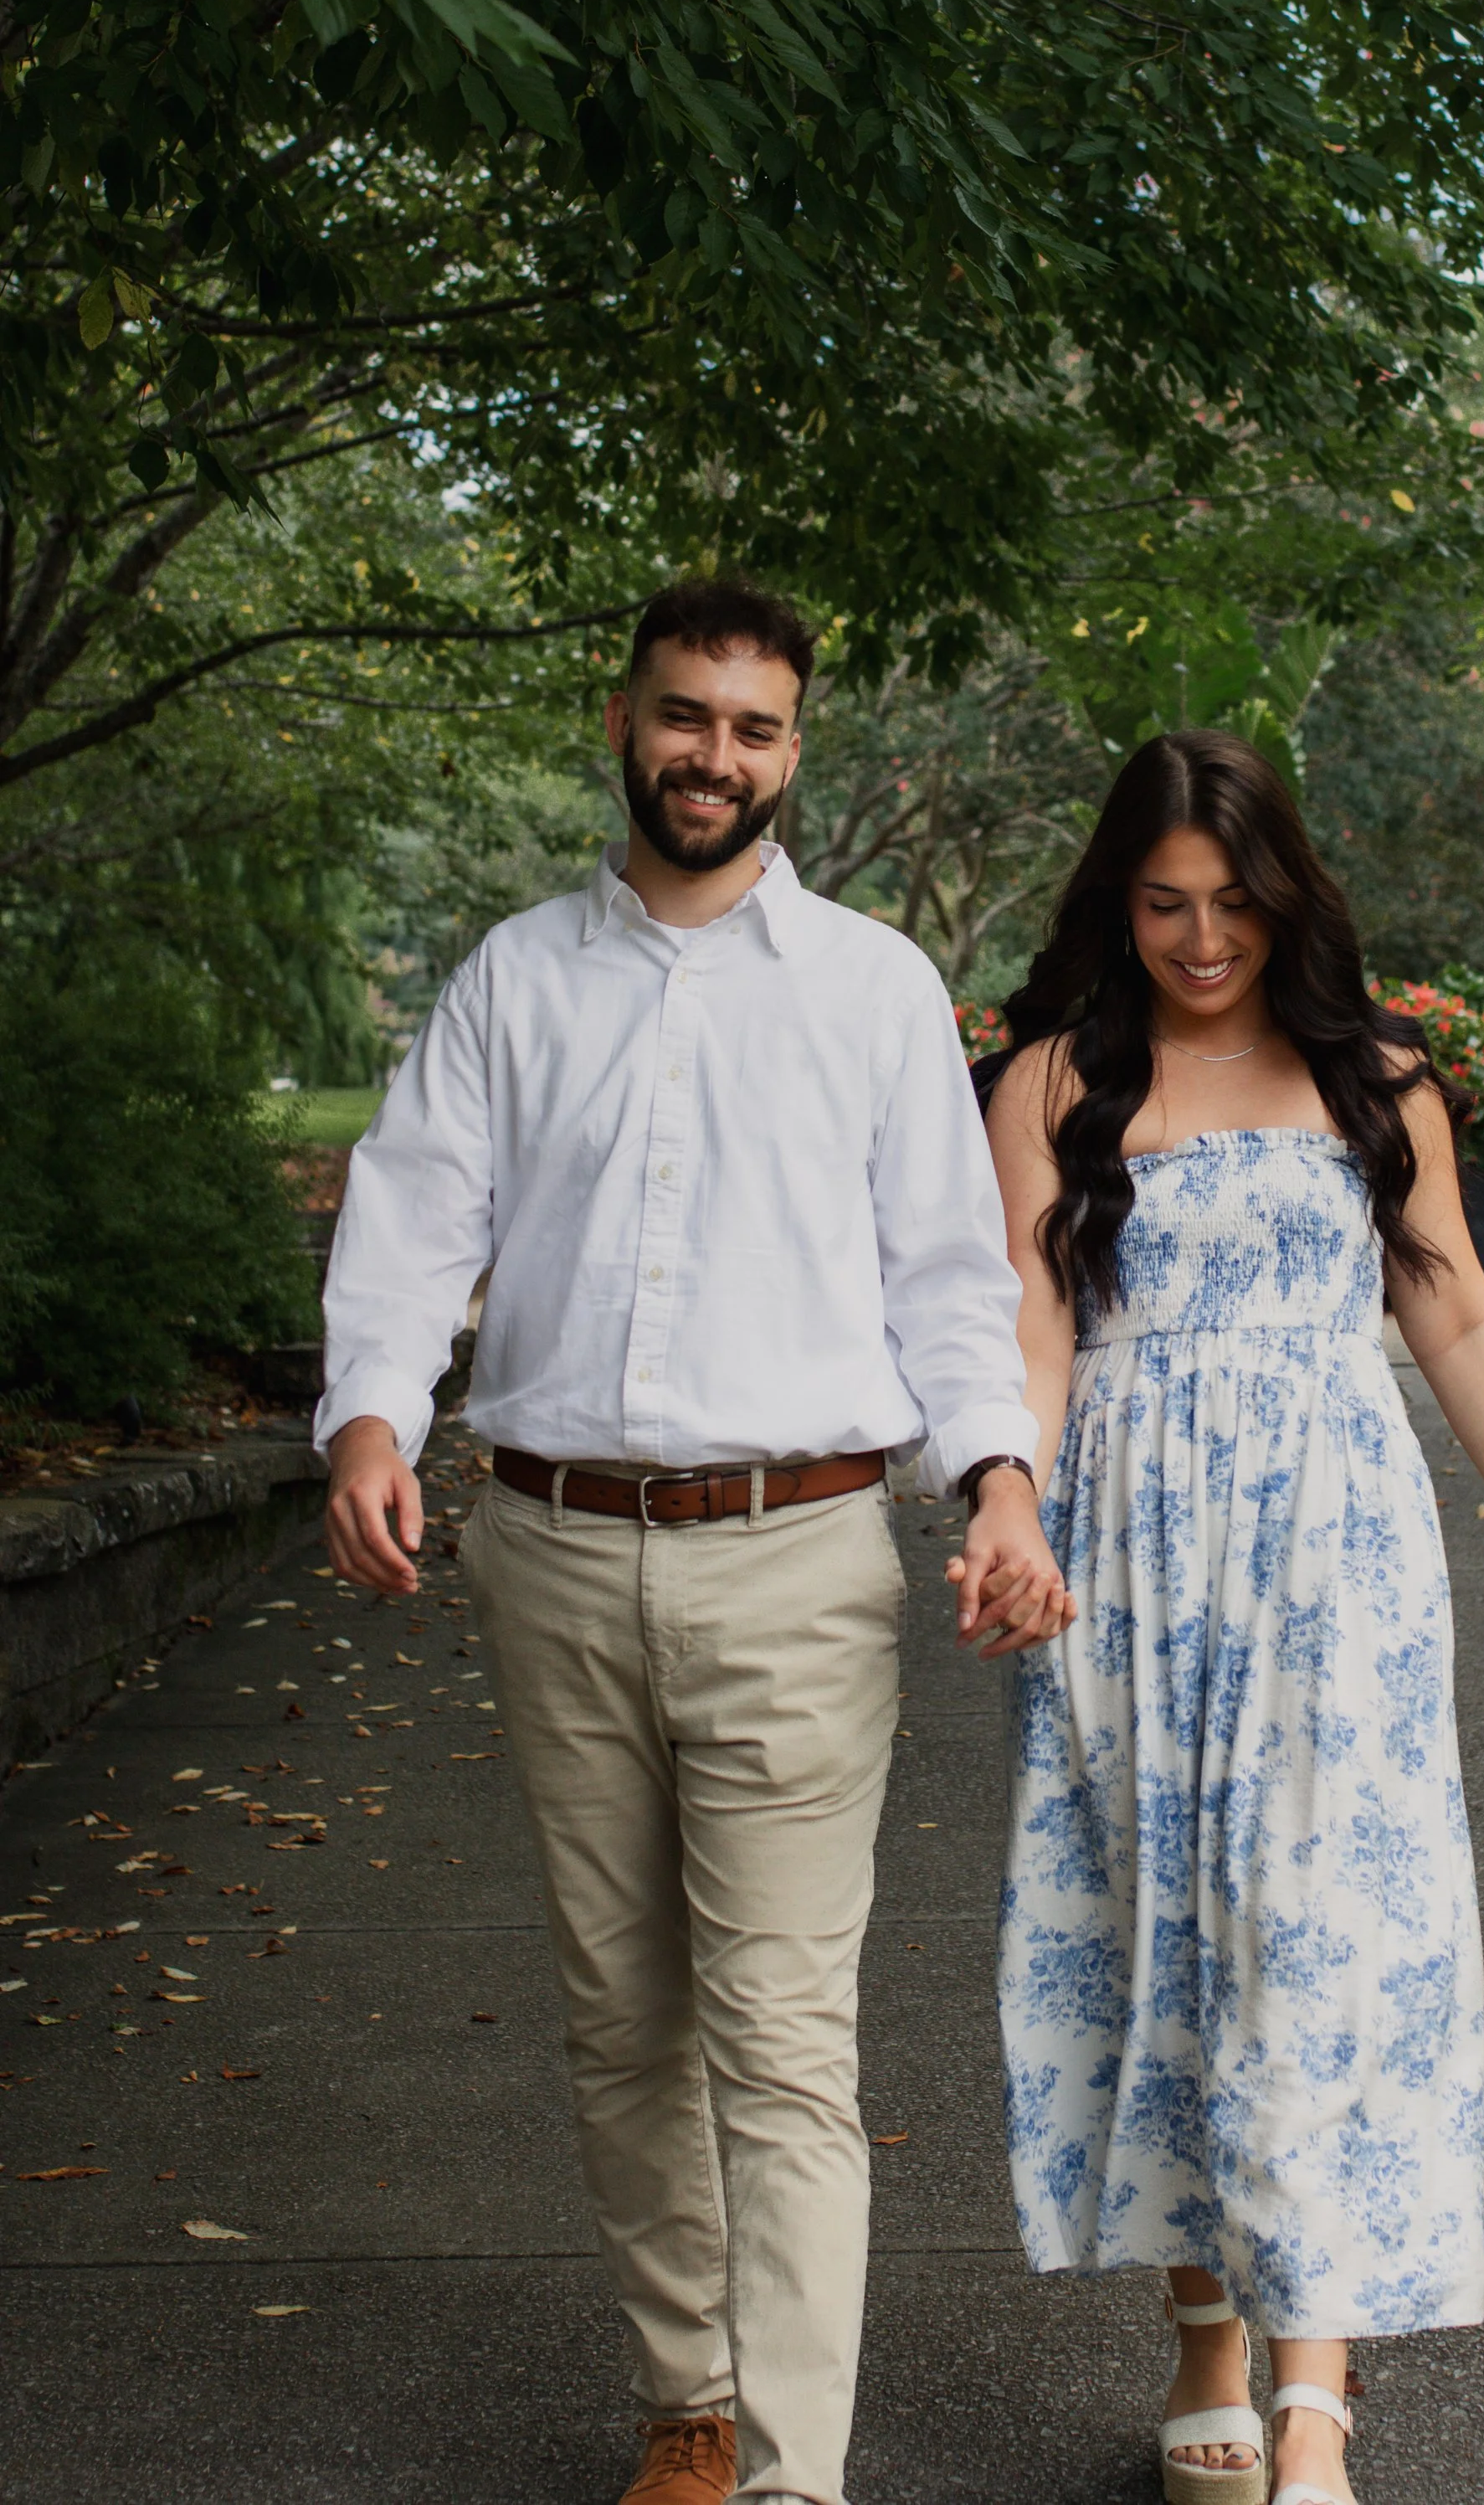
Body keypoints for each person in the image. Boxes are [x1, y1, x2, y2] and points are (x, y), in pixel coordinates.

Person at [317, 577, 1071, 2505]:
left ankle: (793, 2477)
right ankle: (691, 2402)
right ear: (623, 722)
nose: (712, 756)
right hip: (552, 1556)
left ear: (792, 749)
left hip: (797, 1562)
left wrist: (994, 1480)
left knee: (784, 2040)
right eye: (684, 717)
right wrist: (375, 1418)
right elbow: (415, 1214)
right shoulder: (513, 978)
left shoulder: (875, 989)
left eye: (752, 728)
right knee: (621, 2017)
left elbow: (945, 1278)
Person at [977, 729, 1484, 2505]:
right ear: (1120, 900)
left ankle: (1314, 2404)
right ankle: (1202, 2334)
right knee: (1166, 1932)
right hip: (1122, 1560)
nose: (1202, 942)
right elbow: (1028, 1333)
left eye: (1235, 905)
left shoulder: (1370, 1079)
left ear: (1288, 898)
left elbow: (1462, 1317)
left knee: (1314, 1941)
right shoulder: (1045, 1081)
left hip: (1334, 1564)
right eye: (1167, 905)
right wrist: (1008, 1507)